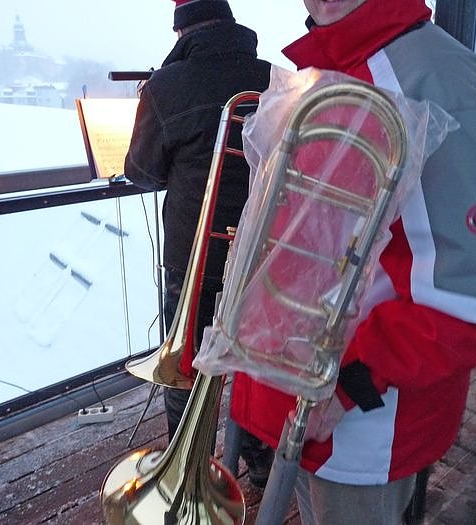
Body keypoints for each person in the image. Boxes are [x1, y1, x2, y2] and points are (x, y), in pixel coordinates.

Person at [228, 0, 476, 522]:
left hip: (359, 422)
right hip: (303, 394)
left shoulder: (440, 81)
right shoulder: (327, 66)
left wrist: (353, 383)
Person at [123, 0, 273, 487]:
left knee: (185, 366)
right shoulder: (274, 78)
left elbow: (141, 172)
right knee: (255, 361)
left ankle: (188, 472)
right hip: (261, 251)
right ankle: (261, 462)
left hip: (195, 256)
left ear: (181, 30)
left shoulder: (166, 86)